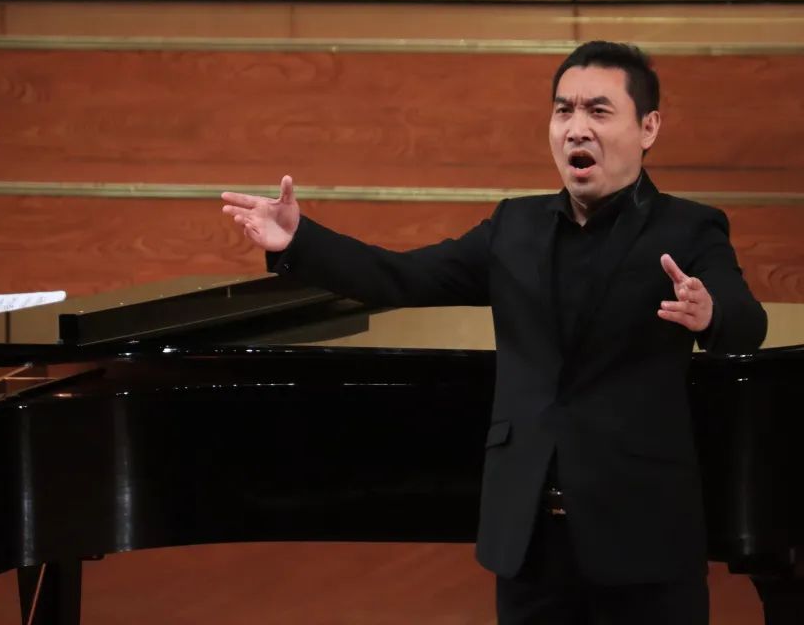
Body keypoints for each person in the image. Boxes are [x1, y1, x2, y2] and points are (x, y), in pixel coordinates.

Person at [220, 41, 767, 625]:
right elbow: (402, 276)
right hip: (529, 538)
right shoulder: (514, 227)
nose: (577, 128)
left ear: (648, 127)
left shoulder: (688, 228)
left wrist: (710, 313)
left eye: (599, 111)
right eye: (563, 110)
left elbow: (747, 322)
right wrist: (299, 240)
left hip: (642, 533)